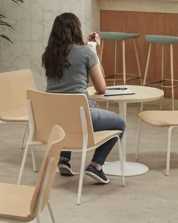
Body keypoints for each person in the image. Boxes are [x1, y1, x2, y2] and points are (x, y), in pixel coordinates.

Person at [41, 12, 126, 185]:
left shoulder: (49, 55)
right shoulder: (86, 53)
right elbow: (101, 88)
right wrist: (96, 52)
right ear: (76, 30)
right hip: (81, 117)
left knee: (66, 115)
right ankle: (96, 165)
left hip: (54, 117)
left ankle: (63, 159)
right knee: (120, 123)